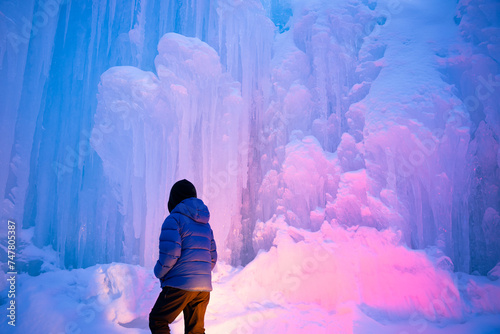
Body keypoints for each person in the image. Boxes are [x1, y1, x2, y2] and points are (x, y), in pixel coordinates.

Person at [149, 179, 217, 334]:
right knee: (196, 331)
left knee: (158, 320)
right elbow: (212, 257)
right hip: (203, 288)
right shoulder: (206, 224)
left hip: (181, 284)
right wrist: (200, 272)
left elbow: (171, 254)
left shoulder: (173, 220)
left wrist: (158, 272)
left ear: (173, 200)